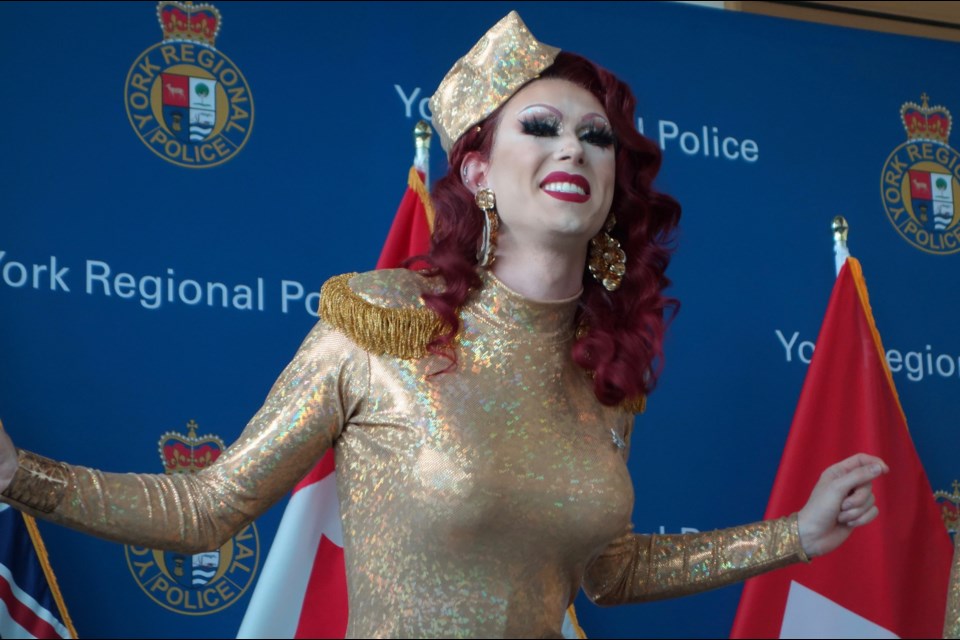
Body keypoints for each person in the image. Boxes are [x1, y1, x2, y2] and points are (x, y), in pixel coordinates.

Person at [0, 11, 887, 639]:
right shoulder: (379, 324)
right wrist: (21, 476)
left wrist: (795, 537)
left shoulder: (604, 371)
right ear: (477, 169)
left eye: (598, 136)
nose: (574, 148)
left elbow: (604, 572)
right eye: (539, 127)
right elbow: (206, 506)